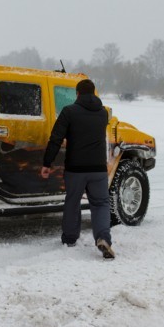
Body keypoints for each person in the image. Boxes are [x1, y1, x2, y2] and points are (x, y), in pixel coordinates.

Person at [41, 79, 115, 259]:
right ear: (94, 93)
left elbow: (55, 138)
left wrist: (47, 163)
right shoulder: (103, 113)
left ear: (78, 94)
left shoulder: (69, 112)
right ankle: (103, 238)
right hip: (98, 169)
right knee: (100, 204)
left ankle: (70, 238)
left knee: (73, 202)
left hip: (76, 169)